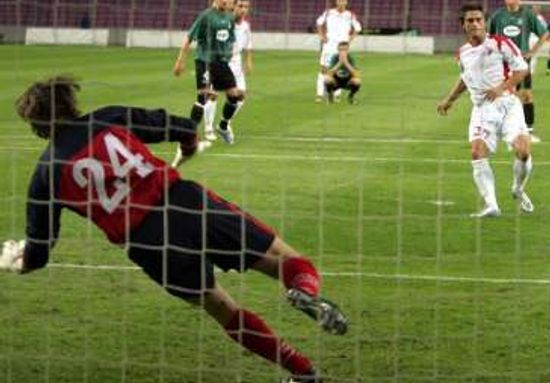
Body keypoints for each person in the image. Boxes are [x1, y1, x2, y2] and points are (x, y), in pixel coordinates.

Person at [4, 76, 348, 383]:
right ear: (70, 102)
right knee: (284, 259)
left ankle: (302, 372)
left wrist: (16, 262)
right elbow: (181, 127)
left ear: (36, 125)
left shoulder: (45, 175)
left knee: (223, 309)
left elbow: (40, 252)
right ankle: (302, 290)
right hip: (184, 202)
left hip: (147, 242)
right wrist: (186, 148)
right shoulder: (107, 118)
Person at [437, 4, 535, 218]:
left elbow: (522, 69)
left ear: (484, 23)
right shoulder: (463, 53)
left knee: (523, 150)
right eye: (469, 20)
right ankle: (492, 205)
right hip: (482, 109)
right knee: (477, 152)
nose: (474, 24)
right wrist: (449, 100)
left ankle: (518, 188)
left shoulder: (501, 43)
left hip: (508, 104)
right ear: (463, 25)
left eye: (478, 20)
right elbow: (465, 78)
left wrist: (501, 87)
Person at [173, 0, 239, 144]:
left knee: (234, 95)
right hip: (205, 62)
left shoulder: (229, 17)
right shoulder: (206, 16)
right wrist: (180, 61)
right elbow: (189, 38)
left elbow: (230, 39)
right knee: (203, 97)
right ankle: (188, 134)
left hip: (221, 63)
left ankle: (223, 126)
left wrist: (227, 55)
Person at [488, 0, 549, 143]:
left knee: (526, 95)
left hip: (521, 61)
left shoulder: (528, 14)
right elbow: (489, 37)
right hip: (502, 62)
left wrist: (532, 51)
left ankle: (528, 131)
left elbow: (544, 34)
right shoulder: (498, 15)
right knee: (501, 95)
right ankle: (499, 130)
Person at [202, 0, 253, 142]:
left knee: (240, 97)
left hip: (236, 64)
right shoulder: (223, 21)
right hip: (220, 62)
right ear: (233, 6)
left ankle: (224, 124)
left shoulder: (245, 26)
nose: (243, 10)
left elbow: (248, 44)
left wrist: (248, 61)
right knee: (213, 95)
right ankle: (208, 128)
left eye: (246, 7)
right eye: (240, 6)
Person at [315, 0, 362, 103]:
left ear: (346, 2)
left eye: (343, 0)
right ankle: (319, 94)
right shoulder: (328, 12)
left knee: (340, 69)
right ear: (336, 2)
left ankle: (336, 95)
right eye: (339, 0)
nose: (341, 2)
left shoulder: (350, 15)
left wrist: (349, 39)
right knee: (324, 69)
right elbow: (319, 23)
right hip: (329, 45)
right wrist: (321, 36)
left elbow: (358, 28)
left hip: (342, 47)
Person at [528, 5, 547, 75]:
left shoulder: (541, 18)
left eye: (537, 9)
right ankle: (525, 69)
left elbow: (544, 29)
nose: (535, 10)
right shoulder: (528, 17)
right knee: (526, 54)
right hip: (528, 38)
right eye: (534, 9)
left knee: (534, 55)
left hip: (536, 39)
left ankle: (531, 71)